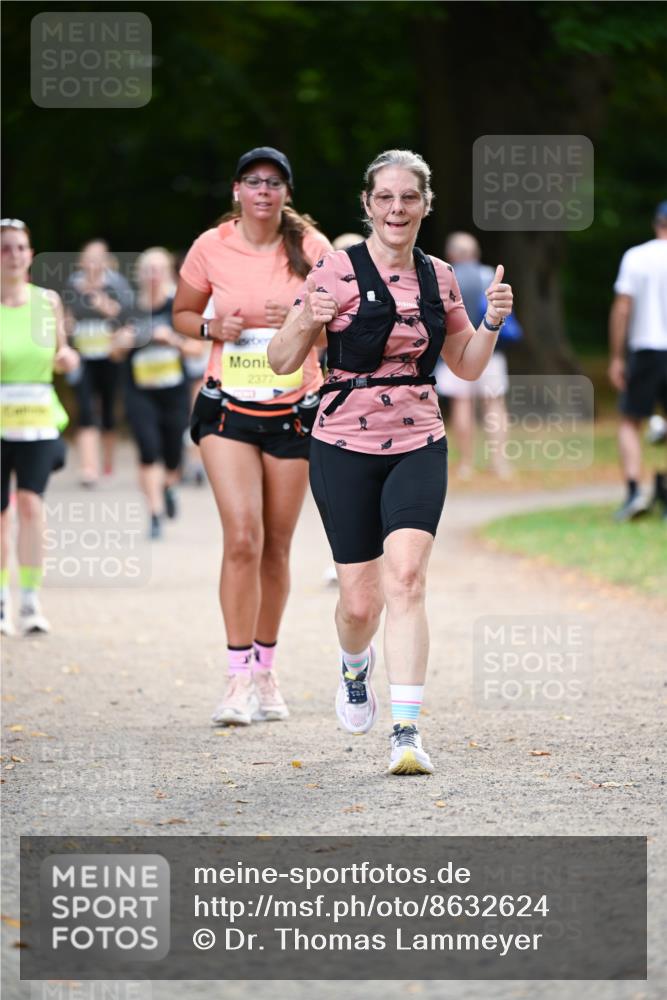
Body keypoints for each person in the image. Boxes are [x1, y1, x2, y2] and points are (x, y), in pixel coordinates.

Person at [268, 149, 513, 776]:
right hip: (342, 443)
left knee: (406, 579)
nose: (397, 208)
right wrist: (308, 319)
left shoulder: (440, 277)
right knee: (360, 604)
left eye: (409, 197)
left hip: (418, 441)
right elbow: (280, 360)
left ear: (425, 205)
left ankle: (406, 732)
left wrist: (490, 321)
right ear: (368, 204)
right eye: (385, 197)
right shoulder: (334, 269)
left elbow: (465, 365)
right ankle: (355, 668)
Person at [172, 146, 331, 725]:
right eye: (253, 181)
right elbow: (182, 315)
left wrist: (298, 321)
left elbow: (339, 331)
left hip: (294, 411)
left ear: (286, 192)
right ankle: (236, 677)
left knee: (276, 546)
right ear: (236, 191)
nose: (263, 191)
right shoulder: (210, 246)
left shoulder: (313, 249)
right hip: (229, 408)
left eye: (274, 182)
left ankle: (266, 669)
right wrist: (213, 325)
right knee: (242, 537)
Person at [0, 219, 79, 635]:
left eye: (20, 248)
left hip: (37, 420)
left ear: (30, 255)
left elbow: (63, 354)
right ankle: (1, 601)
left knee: (31, 505)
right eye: (5, 248)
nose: (13, 256)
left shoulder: (47, 302)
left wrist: (68, 360)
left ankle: (30, 600)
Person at [111, 247, 196, 538]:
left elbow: (197, 349)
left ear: (168, 273)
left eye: (158, 270)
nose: (153, 276)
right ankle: (155, 513)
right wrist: (124, 342)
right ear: (139, 274)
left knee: (173, 454)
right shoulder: (128, 310)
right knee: (148, 449)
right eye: (148, 269)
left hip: (173, 391)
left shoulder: (178, 308)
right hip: (140, 391)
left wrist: (173, 340)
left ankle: (169, 486)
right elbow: (113, 352)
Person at [434, 232, 515, 479]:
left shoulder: (445, 277)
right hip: (491, 351)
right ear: (475, 253)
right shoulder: (489, 275)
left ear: (451, 254)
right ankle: (500, 463)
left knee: (462, 404)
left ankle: (466, 464)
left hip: (455, 351)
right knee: (495, 404)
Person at [608, 201, 667, 521]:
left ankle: (634, 491)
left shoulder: (637, 257)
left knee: (630, 421)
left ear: (657, 223)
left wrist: (617, 357)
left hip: (646, 347)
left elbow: (622, 308)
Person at [65, 239, 133, 486]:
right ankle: (88, 468)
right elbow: (66, 317)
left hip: (109, 356)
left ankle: (107, 462)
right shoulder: (72, 285)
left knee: (107, 410)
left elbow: (126, 317)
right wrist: (66, 327)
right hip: (83, 356)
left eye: (97, 258)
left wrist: (100, 302)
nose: (92, 264)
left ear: (106, 261)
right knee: (85, 409)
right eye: (88, 258)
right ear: (81, 261)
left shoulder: (117, 284)